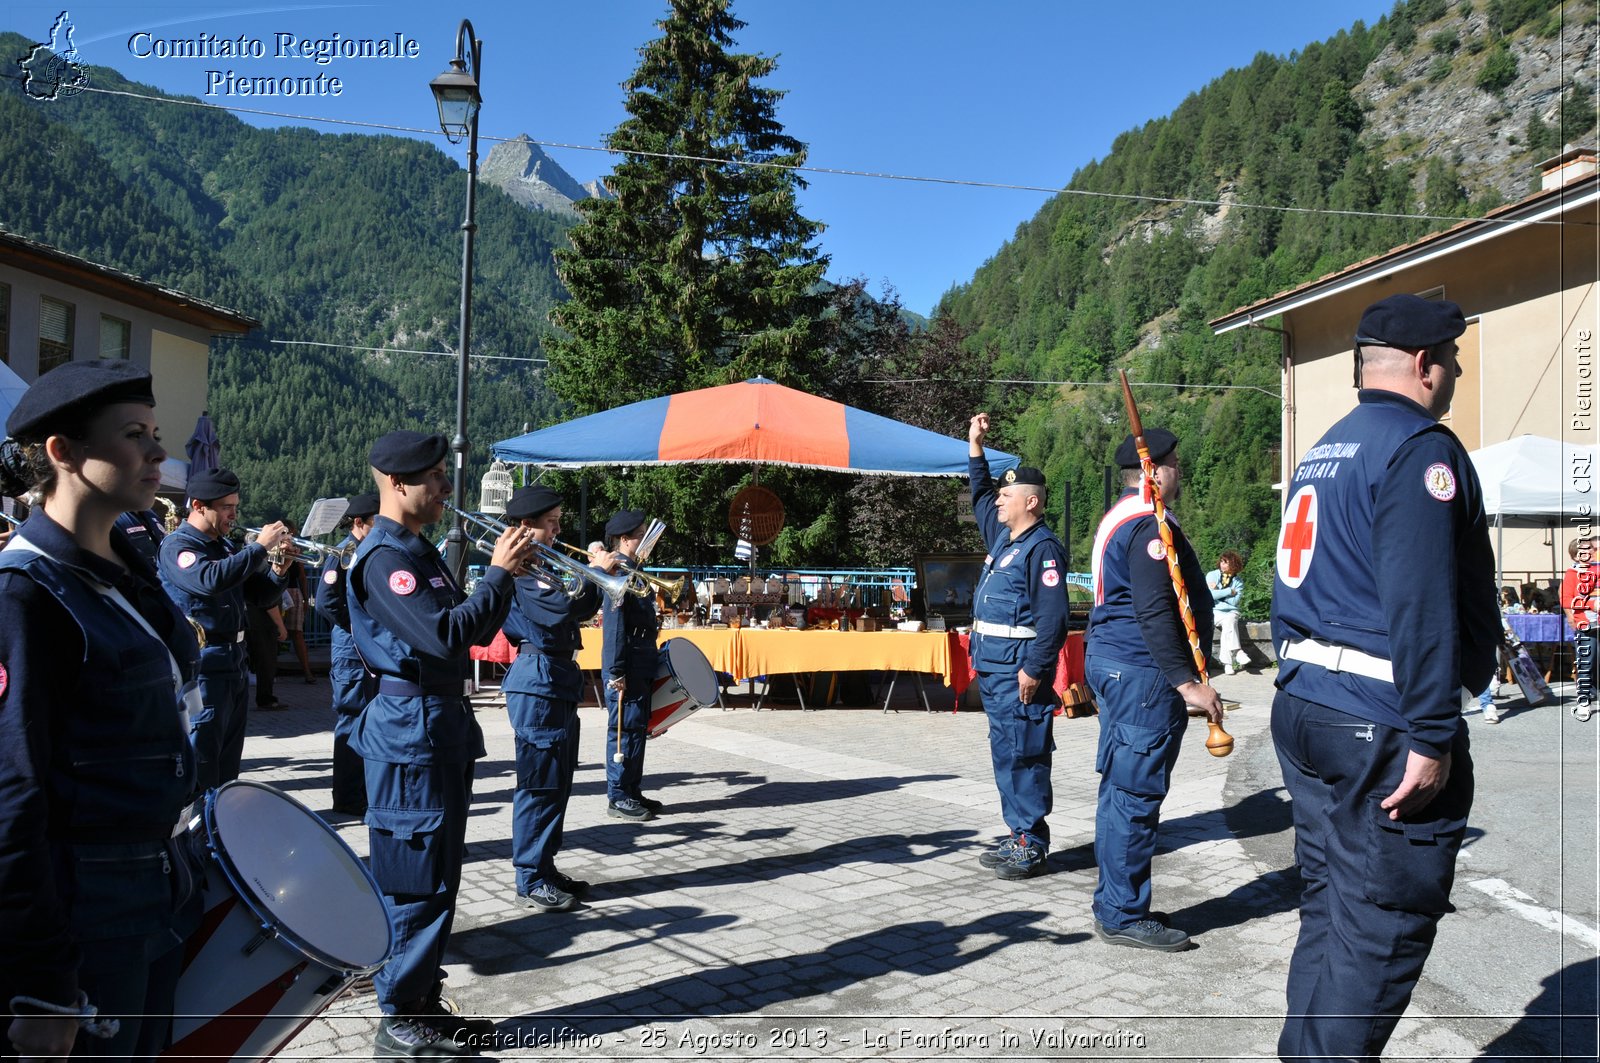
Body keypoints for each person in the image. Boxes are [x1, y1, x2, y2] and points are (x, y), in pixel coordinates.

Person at [1270, 293, 1499, 1061]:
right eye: (1455, 358)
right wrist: (1433, 731)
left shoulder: (1327, 447)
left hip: (1308, 699)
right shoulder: (1419, 449)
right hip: (1380, 714)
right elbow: (1423, 599)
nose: (1459, 371)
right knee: (1381, 922)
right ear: (1426, 364)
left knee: (1331, 908)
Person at [0, 360, 202, 1058]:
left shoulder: (124, 572)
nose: (157, 452)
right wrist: (42, 983)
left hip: (161, 887)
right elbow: (13, 800)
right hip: (91, 914)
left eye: (155, 432)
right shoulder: (26, 596)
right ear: (64, 453)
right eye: (133, 435)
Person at [345, 430, 535, 1057]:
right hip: (410, 736)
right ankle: (399, 1014)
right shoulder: (384, 559)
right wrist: (499, 576)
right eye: (434, 478)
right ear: (397, 484)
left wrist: (501, 582)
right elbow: (449, 636)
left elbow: (468, 627)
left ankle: (422, 999)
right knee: (414, 878)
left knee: (440, 876)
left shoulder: (416, 551)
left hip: (436, 728)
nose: (447, 490)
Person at [1084, 426, 1221, 951]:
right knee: (1135, 793)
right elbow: (1153, 609)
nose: (1180, 473)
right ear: (1154, 470)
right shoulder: (1146, 526)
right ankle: (1122, 912)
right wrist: (1187, 683)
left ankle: (1115, 900)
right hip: (1142, 673)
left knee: (1121, 788)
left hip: (1121, 666)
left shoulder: (1122, 515)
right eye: (1176, 465)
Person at [965, 414, 1069, 881]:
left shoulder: (1041, 549)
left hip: (1017, 672)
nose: (998, 502)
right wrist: (975, 446)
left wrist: (1034, 669)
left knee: (1025, 752)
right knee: (1005, 751)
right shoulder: (1005, 538)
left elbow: (1053, 619)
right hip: (993, 669)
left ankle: (1032, 841)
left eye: (1008, 496)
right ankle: (1018, 833)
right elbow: (980, 495)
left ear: (1031, 501)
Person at [501, 485, 613, 912]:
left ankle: (544, 865)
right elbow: (562, 610)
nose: (558, 531)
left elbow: (574, 608)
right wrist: (593, 573)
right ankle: (530, 876)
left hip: (557, 676)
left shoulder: (539, 568)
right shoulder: (522, 573)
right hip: (538, 679)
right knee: (540, 784)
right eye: (552, 523)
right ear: (526, 527)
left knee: (559, 782)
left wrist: (591, 576)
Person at [159, 468, 289, 789]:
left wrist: (278, 570)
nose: (233, 514)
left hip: (234, 662)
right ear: (199, 505)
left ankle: (220, 826)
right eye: (225, 507)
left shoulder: (226, 548)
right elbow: (210, 580)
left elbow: (261, 595)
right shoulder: (179, 546)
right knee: (202, 758)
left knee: (228, 764)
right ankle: (196, 831)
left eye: (235, 506)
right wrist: (258, 548)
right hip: (203, 664)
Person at [314, 491, 379, 815]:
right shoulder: (344, 552)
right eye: (376, 522)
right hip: (351, 650)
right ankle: (348, 797)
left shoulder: (365, 549)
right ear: (359, 523)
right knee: (352, 720)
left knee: (366, 720)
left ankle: (361, 792)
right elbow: (326, 600)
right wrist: (357, 628)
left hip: (363, 648)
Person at [599, 510, 666, 821]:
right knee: (623, 729)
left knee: (637, 728)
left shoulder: (635, 570)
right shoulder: (617, 572)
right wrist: (616, 671)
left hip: (640, 657)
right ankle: (618, 795)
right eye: (641, 535)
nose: (647, 540)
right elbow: (614, 625)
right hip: (626, 662)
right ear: (625, 539)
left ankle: (631, 789)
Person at [1560, 535, 1598, 722]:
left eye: (1591, 549)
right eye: (1585, 550)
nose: (1590, 552)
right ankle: (1583, 702)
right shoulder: (1572, 574)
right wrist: (1591, 605)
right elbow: (1566, 599)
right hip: (1585, 623)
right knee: (1586, 661)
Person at [280, 520, 315, 684]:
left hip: (293, 591)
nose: (291, 536)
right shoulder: (272, 548)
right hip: (278, 591)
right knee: (274, 634)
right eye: (288, 532)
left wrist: (306, 597)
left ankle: (307, 672)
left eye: (292, 533)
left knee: (297, 633)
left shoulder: (296, 550)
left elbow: (301, 575)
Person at [1207, 550, 1248, 675]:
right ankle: (1237, 652)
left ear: (1234, 565)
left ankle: (1228, 664)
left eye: (1227, 563)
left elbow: (1235, 602)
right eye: (1222, 562)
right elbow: (1210, 595)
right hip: (1215, 611)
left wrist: (1218, 591)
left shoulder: (1239, 581)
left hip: (1231, 612)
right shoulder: (1212, 575)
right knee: (1229, 624)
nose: (1223, 565)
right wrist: (1229, 591)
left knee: (1229, 623)